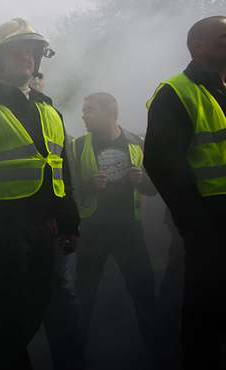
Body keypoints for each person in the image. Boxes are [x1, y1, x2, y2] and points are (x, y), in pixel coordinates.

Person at [0, 18, 79, 369]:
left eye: (32, 52)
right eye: (17, 51)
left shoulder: (48, 109)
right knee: (10, 316)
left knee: (32, 310)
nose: (26, 58)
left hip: (44, 229)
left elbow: (60, 169)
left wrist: (69, 222)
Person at [144, 15, 226, 369]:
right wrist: (197, 225)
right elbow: (163, 165)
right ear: (198, 46)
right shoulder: (175, 92)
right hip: (210, 223)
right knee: (204, 313)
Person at [72, 92, 177, 366]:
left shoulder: (136, 143)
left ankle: (161, 355)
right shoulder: (77, 146)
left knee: (143, 292)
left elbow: (153, 190)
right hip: (92, 233)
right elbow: (67, 192)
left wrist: (143, 181)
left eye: (89, 110)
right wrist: (87, 185)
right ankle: (75, 357)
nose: (83, 115)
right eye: (83, 111)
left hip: (128, 233)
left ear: (110, 111)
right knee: (84, 296)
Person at [29, 68, 85, 370]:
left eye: (40, 75)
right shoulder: (0, 115)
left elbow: (65, 178)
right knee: (14, 292)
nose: (35, 80)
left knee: (61, 291)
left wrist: (69, 223)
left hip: (52, 226)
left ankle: (70, 362)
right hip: (16, 226)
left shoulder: (54, 118)